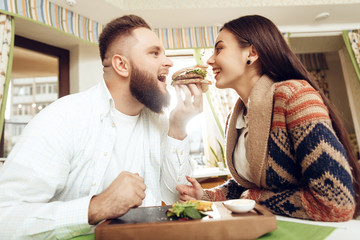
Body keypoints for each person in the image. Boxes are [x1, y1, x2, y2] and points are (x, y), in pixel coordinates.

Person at [0, 15, 203, 239]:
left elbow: (175, 199)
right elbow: (5, 218)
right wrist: (97, 207)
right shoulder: (63, 119)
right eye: (155, 53)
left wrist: (178, 128)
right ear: (122, 65)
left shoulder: (161, 122)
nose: (169, 62)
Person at [176, 15, 360, 222]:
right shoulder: (235, 118)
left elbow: (336, 204)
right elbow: (248, 185)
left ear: (252, 53)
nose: (209, 60)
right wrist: (205, 196)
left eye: (219, 49)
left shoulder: (295, 97)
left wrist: (255, 199)